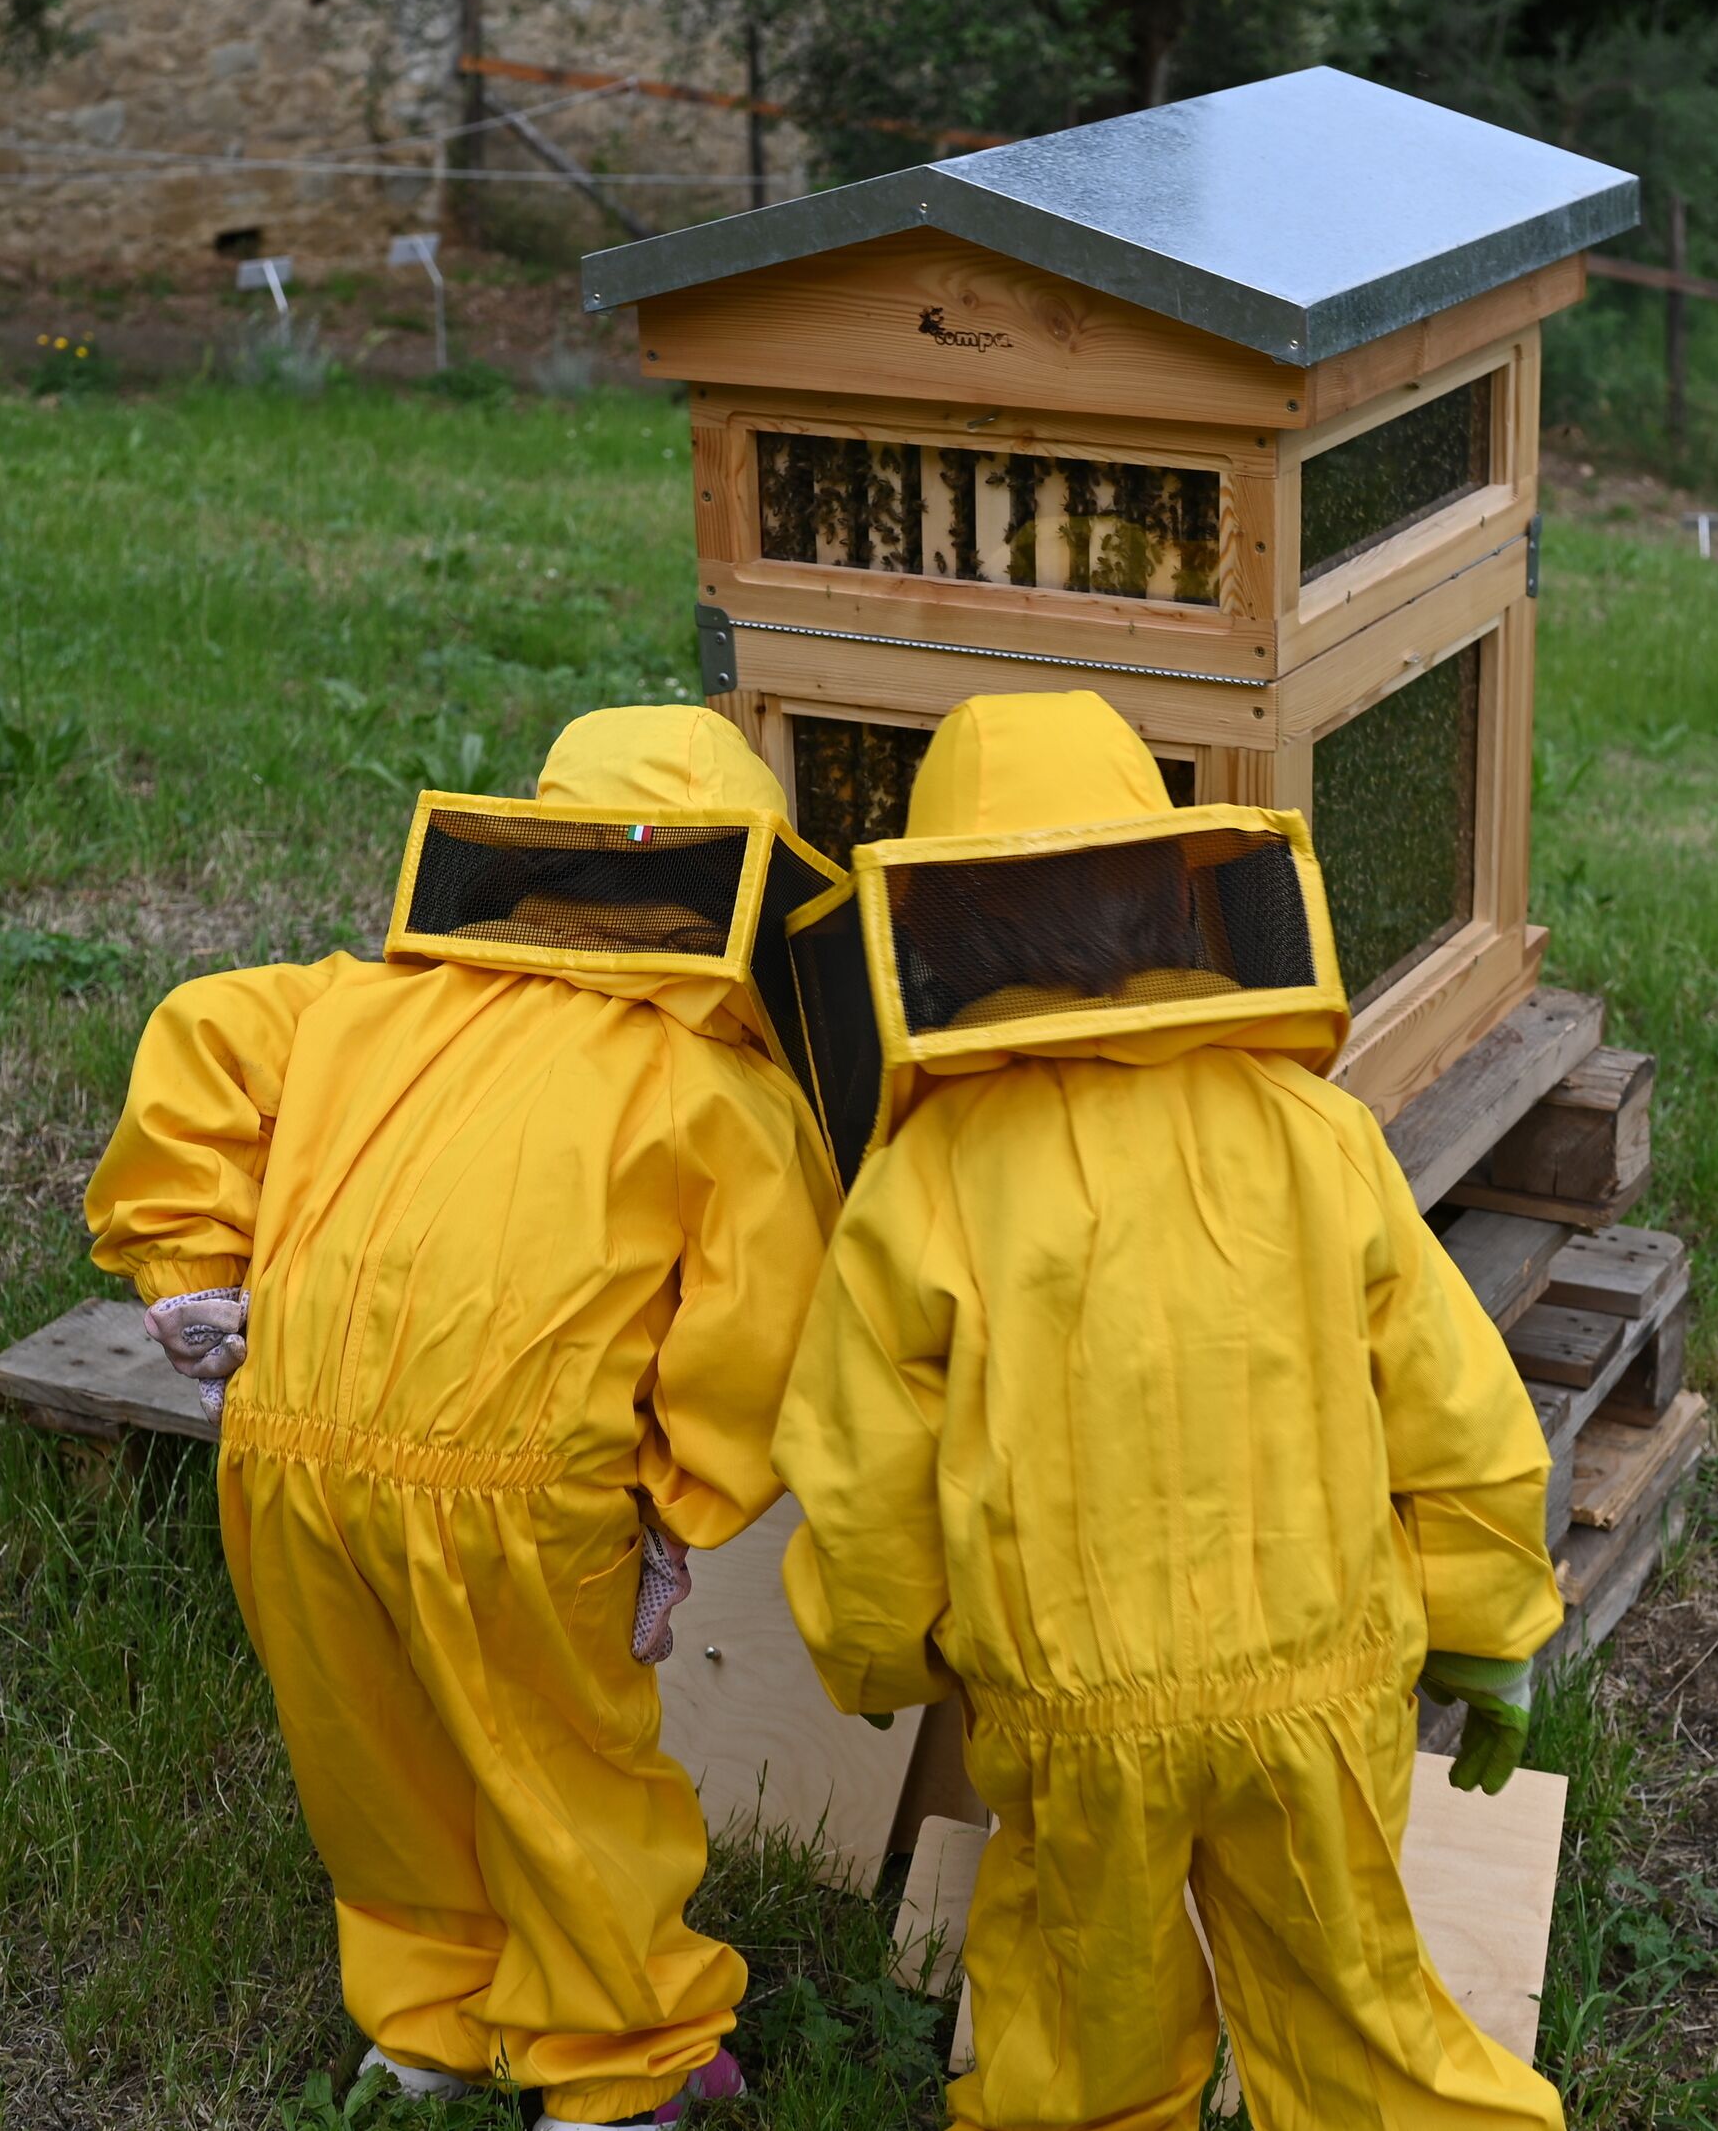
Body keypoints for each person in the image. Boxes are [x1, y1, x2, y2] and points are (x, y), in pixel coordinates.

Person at [773, 690, 1566, 2130]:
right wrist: (1488, 1625)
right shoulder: (1313, 1130)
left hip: (1077, 1722)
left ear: (936, 933)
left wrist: (882, 1653)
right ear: (1171, 895)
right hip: (1323, 1691)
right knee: (1368, 2030)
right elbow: (1454, 1405)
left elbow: (863, 1473)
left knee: (1078, 2053)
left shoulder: (926, 1176)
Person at [85, 705, 848, 2125]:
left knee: (371, 1755)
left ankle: (425, 2033)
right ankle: (618, 2071)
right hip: (523, 1487)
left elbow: (198, 1034)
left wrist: (190, 1263)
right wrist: (684, 1504)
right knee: (566, 1776)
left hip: (291, 1442)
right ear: (740, 901)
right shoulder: (721, 1088)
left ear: (529, 857)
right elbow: (764, 1323)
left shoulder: (356, 999)